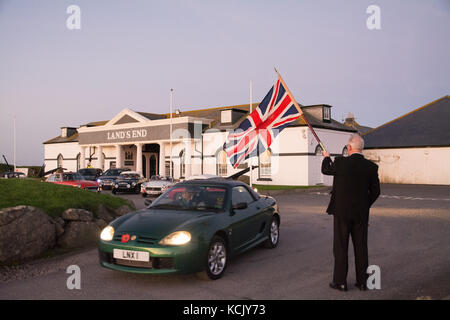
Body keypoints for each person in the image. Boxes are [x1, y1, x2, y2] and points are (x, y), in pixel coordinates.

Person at [321, 134, 380, 291]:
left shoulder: (340, 163)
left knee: (340, 247)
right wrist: (364, 205)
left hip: (341, 213)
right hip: (361, 214)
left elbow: (326, 169)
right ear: (361, 148)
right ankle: (363, 282)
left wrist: (326, 157)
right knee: (361, 247)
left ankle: (340, 282)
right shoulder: (371, 167)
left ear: (349, 148)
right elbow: (376, 192)